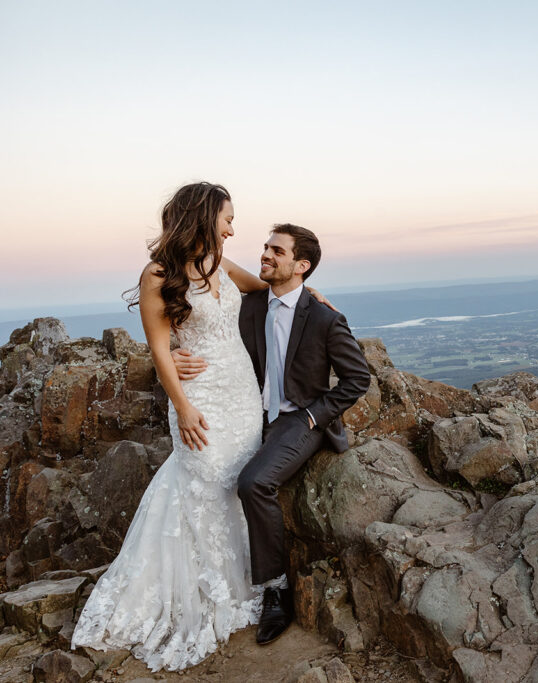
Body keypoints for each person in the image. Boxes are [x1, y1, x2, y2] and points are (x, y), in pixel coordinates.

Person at [70, 182, 346, 671]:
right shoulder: (157, 274)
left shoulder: (218, 264)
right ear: (203, 216)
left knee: (238, 481)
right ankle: (196, 588)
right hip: (199, 398)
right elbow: (159, 349)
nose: (233, 228)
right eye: (227, 219)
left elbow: (266, 288)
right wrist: (182, 405)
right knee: (202, 478)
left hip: (242, 394)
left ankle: (250, 582)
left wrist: (308, 289)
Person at [172, 223, 370, 645]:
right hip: (246, 413)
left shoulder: (324, 318)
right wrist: (173, 353)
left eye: (276, 251)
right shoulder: (249, 306)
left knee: (254, 483)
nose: (265, 254)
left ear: (301, 265)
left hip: (299, 419)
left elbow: (357, 379)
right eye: (265, 247)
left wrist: (315, 416)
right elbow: (206, 334)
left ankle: (275, 591)